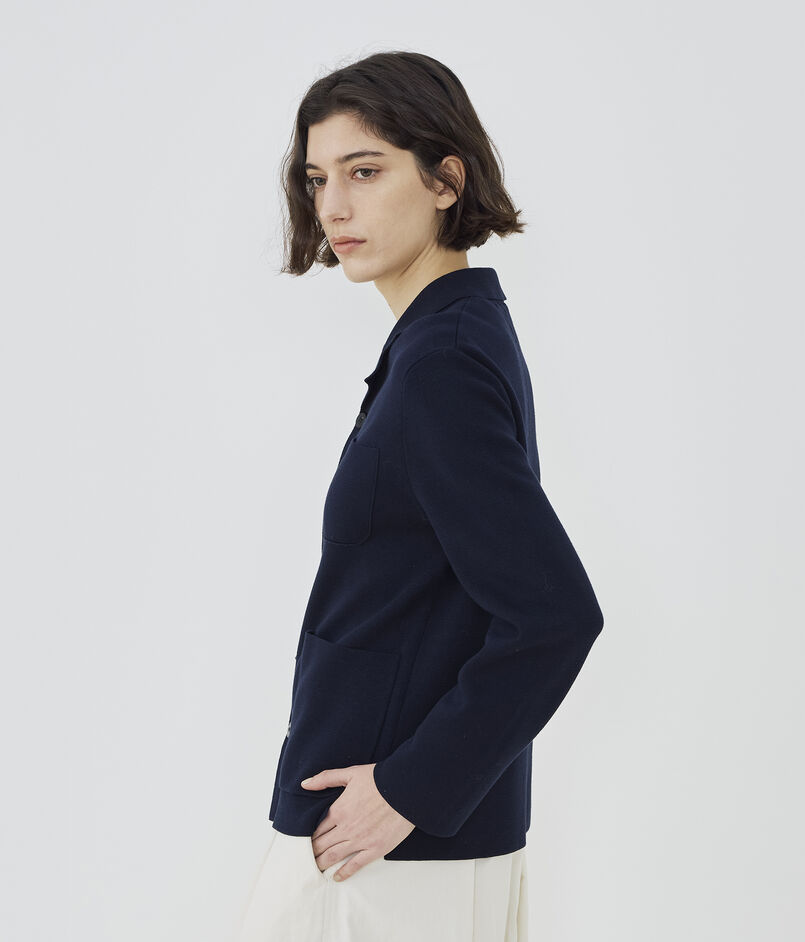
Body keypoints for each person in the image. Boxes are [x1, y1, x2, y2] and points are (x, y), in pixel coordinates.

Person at [235, 50, 605, 942]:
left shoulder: (442, 361)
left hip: (385, 855)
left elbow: (554, 614)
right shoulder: (446, 338)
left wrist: (409, 790)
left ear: (446, 180)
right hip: (390, 844)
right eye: (317, 178)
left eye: (365, 171)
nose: (332, 206)